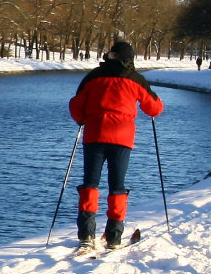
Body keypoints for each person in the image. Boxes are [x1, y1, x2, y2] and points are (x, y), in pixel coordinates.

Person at [69, 40, 164, 253]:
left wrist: (82, 119)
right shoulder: (135, 79)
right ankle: (113, 237)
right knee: (117, 187)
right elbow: (155, 108)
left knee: (90, 184)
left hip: (95, 135)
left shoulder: (94, 76)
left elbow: (76, 104)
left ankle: (86, 235)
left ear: (109, 55)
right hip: (122, 138)